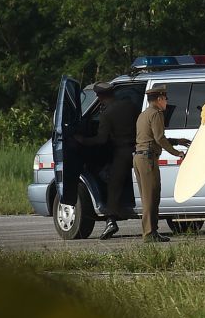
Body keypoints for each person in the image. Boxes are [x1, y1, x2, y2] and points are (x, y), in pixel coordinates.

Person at [75, 82, 137, 240]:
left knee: (113, 186)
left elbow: (101, 140)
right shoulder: (129, 105)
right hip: (137, 149)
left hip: (121, 152)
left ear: (100, 96)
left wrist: (83, 140)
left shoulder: (107, 113)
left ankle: (111, 220)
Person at [133, 86, 189, 242]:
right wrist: (176, 152)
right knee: (152, 196)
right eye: (165, 99)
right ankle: (150, 233)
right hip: (148, 159)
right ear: (159, 99)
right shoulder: (157, 114)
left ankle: (150, 232)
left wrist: (176, 141)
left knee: (147, 197)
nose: (166, 102)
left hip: (140, 157)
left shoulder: (144, 114)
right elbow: (159, 138)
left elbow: (152, 137)